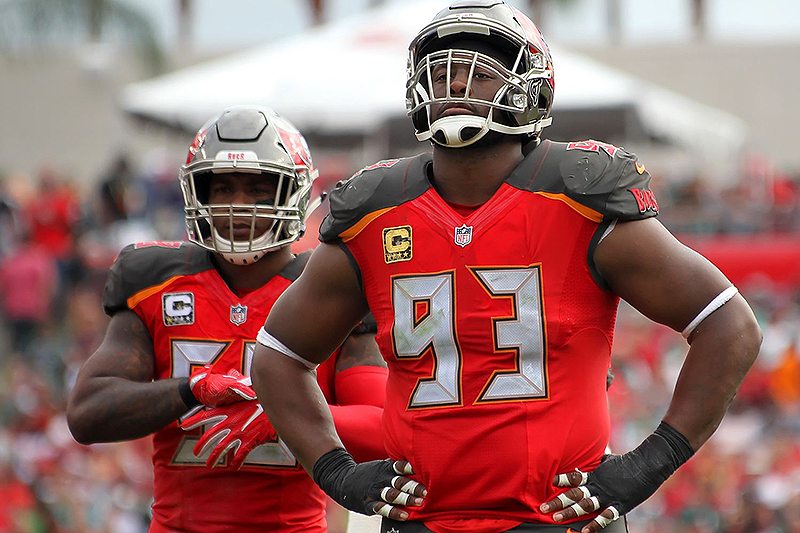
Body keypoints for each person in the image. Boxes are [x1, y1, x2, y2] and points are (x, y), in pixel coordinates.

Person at [248, 2, 762, 533]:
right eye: (441, 68)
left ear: (529, 86)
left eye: (478, 68)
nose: (453, 81)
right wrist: (336, 472)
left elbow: (730, 327)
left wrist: (645, 467)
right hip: (421, 520)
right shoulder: (374, 213)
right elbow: (279, 356)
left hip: (559, 518)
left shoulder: (579, 199)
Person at [66, 105, 388, 533]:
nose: (239, 205)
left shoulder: (330, 289)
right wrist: (189, 389)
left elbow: (386, 427)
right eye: (222, 188)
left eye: (258, 188)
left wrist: (281, 414)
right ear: (197, 193)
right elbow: (87, 414)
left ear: (294, 194)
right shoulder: (154, 282)